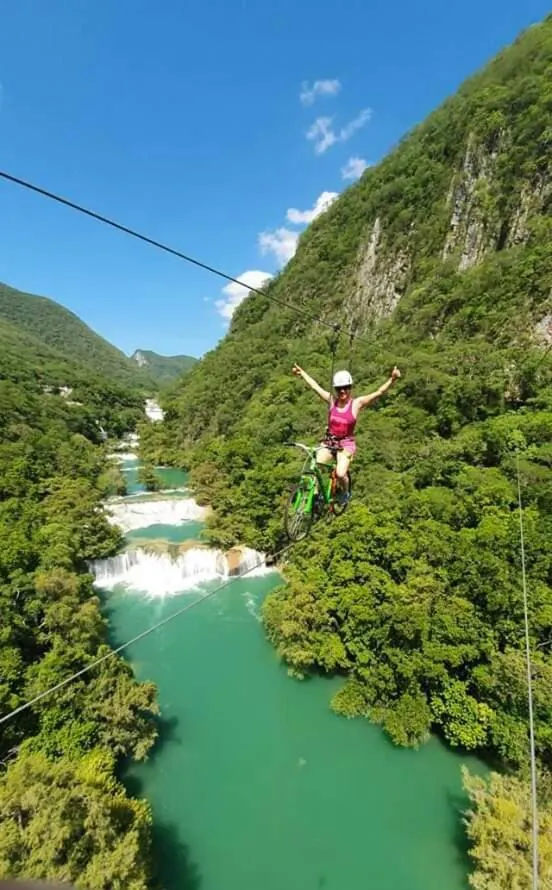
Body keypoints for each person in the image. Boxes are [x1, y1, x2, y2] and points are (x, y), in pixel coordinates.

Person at [292, 363, 402, 502]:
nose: (342, 391)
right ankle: (314, 493)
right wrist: (302, 373)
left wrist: (392, 379)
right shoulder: (332, 401)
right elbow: (315, 387)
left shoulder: (356, 404)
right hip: (330, 441)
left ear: (350, 388)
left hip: (346, 444)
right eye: (339, 389)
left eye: (345, 388)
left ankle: (345, 492)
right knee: (316, 465)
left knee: (340, 473)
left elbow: (378, 392)